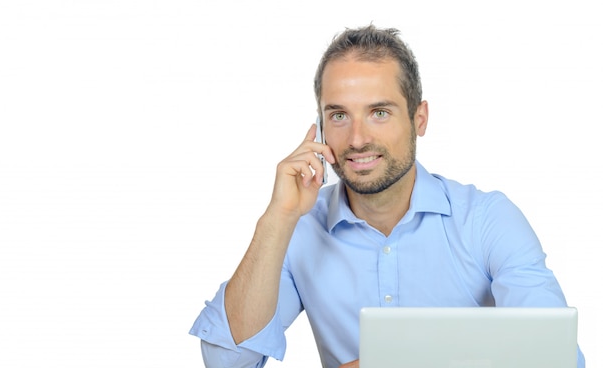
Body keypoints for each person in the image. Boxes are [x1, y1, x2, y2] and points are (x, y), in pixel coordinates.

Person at [189, 25, 585, 368]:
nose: (358, 139)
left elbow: (554, 356)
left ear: (419, 118)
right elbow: (229, 361)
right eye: (339, 115)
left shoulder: (487, 219)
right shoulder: (299, 230)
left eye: (379, 112)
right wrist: (277, 218)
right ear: (320, 125)